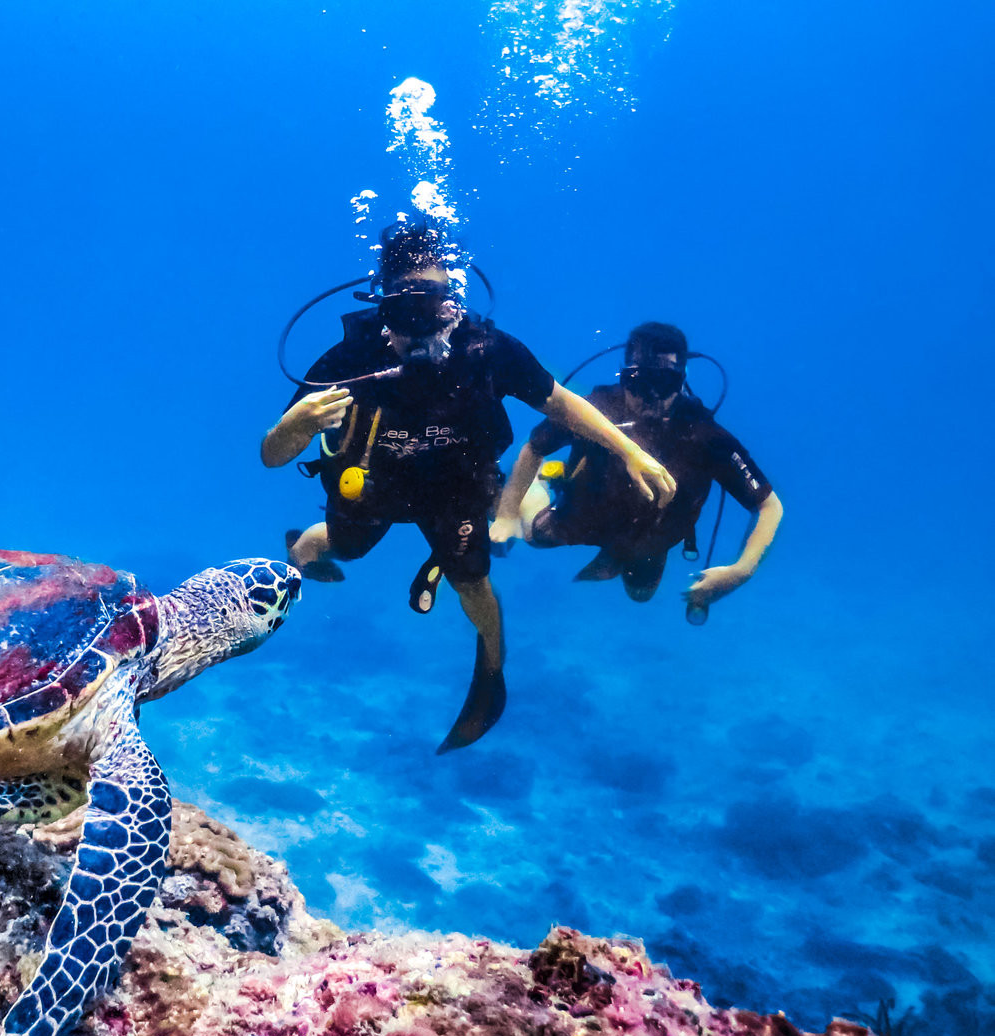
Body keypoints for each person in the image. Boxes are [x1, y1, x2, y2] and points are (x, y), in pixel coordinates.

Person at [261, 223, 676, 748]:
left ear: (452, 303)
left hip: (454, 487)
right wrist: (291, 428)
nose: (418, 330)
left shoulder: (487, 350)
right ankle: (301, 549)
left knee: (472, 580)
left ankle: (491, 671)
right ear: (381, 308)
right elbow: (273, 457)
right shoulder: (351, 359)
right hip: (373, 482)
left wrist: (630, 450)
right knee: (344, 547)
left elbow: (557, 401)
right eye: (401, 312)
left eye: (431, 310)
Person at [490, 321, 782, 615]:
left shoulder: (704, 436)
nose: (649, 398)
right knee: (531, 535)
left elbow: (769, 507)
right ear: (624, 376)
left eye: (664, 383)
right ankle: (544, 480)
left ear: (681, 382)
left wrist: (741, 571)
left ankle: (618, 549)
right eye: (638, 382)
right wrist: (505, 514)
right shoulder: (598, 409)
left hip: (649, 536)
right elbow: (534, 447)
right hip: (585, 513)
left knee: (640, 594)